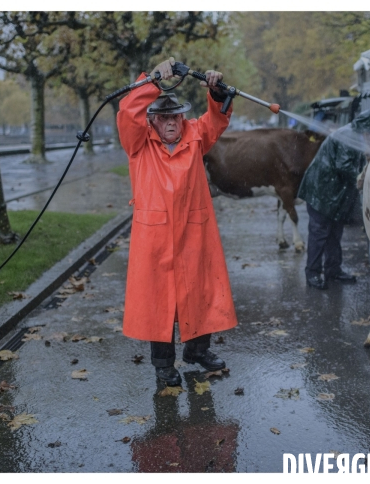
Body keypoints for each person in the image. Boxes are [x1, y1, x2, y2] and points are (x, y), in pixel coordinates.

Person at [116, 57, 238, 386]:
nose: (172, 122)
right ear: (151, 121)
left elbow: (216, 119)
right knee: (161, 303)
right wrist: (153, 79)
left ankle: (198, 351)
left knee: (201, 289)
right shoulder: (138, 145)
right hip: (154, 239)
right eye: (164, 117)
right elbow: (127, 111)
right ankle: (163, 365)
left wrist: (216, 91)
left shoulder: (195, 136)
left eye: (176, 116)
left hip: (194, 234)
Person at [297, 108, 370, 290]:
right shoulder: (349, 136)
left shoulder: (354, 132)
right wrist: (364, 177)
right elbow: (344, 166)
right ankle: (312, 273)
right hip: (322, 191)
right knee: (319, 234)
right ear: (366, 127)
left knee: (335, 232)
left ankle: (333, 270)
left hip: (332, 192)